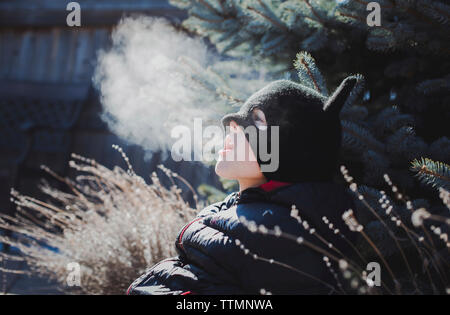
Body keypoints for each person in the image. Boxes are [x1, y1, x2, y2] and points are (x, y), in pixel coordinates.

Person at [127, 76, 360, 295]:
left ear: (292, 152)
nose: (232, 126)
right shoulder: (235, 213)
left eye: (258, 120)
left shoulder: (276, 240)